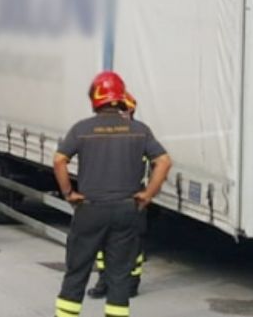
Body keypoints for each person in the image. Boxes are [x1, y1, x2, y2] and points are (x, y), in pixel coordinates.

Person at [53, 71, 171, 317]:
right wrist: (148, 194)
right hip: (127, 210)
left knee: (77, 273)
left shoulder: (81, 129)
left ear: (95, 98)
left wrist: (68, 193)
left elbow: (59, 160)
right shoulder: (139, 130)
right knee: (119, 279)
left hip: (90, 209)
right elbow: (164, 161)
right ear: (121, 98)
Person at [87, 93, 147, 299]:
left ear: (130, 111)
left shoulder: (139, 134)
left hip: (131, 196)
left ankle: (132, 281)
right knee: (103, 242)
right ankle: (104, 280)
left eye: (123, 111)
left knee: (132, 244)